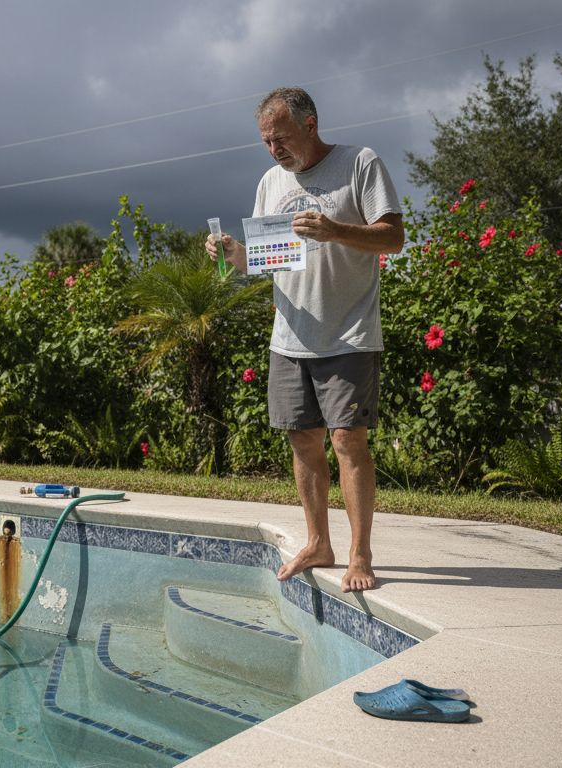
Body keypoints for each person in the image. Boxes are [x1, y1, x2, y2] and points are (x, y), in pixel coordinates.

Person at [206, 87, 403, 592]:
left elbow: (393, 237)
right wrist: (232, 252)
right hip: (290, 335)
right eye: (266, 142)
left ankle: (361, 554)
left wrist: (336, 230)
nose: (274, 150)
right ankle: (319, 541)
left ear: (310, 124)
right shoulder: (271, 182)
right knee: (303, 438)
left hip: (349, 331)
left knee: (346, 439)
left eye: (282, 138)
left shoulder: (360, 164)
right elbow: (265, 261)